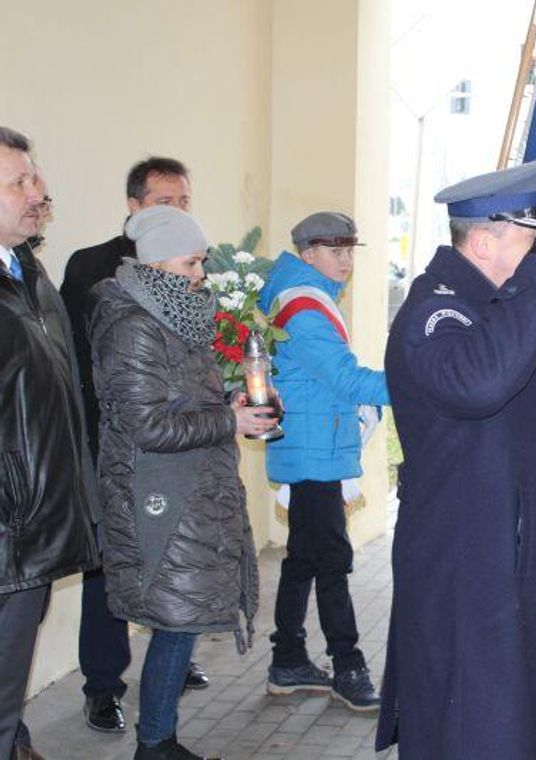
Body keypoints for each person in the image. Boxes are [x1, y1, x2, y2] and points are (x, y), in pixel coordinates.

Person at [376, 159, 536, 759]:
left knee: (516, 714)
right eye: (532, 233)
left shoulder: (492, 304)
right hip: (467, 562)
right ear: (485, 241)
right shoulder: (436, 313)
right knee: (472, 720)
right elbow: (479, 385)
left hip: (506, 553)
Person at [88, 205, 269, 760]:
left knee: (180, 622)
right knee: (175, 622)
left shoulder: (172, 315)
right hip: (158, 496)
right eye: (191, 262)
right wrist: (229, 421)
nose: (200, 275)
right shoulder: (135, 326)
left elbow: (178, 403)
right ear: (158, 260)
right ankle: (155, 744)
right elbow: (148, 426)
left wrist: (228, 404)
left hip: (186, 488)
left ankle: (159, 740)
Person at [59, 156, 206, 735]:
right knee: (109, 567)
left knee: (174, 552)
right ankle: (103, 684)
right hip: (113, 443)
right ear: (134, 205)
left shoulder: (192, 263)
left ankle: (172, 658)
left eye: (184, 200)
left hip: (177, 447)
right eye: (165, 199)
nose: (176, 209)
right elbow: (82, 359)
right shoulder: (92, 266)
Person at [259, 211, 389, 711]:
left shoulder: (302, 293)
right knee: (332, 559)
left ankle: (287, 658)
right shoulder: (306, 308)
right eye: (335, 251)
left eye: (350, 251)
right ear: (307, 252)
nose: (346, 261)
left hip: (311, 445)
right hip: (313, 452)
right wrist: (420, 382)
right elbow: (348, 381)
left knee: (305, 557)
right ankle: (347, 664)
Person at [0, 126, 100, 760]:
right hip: (8, 530)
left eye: (34, 178)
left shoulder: (28, 272)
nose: (40, 192)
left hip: (36, 527)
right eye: (20, 182)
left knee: (9, 688)